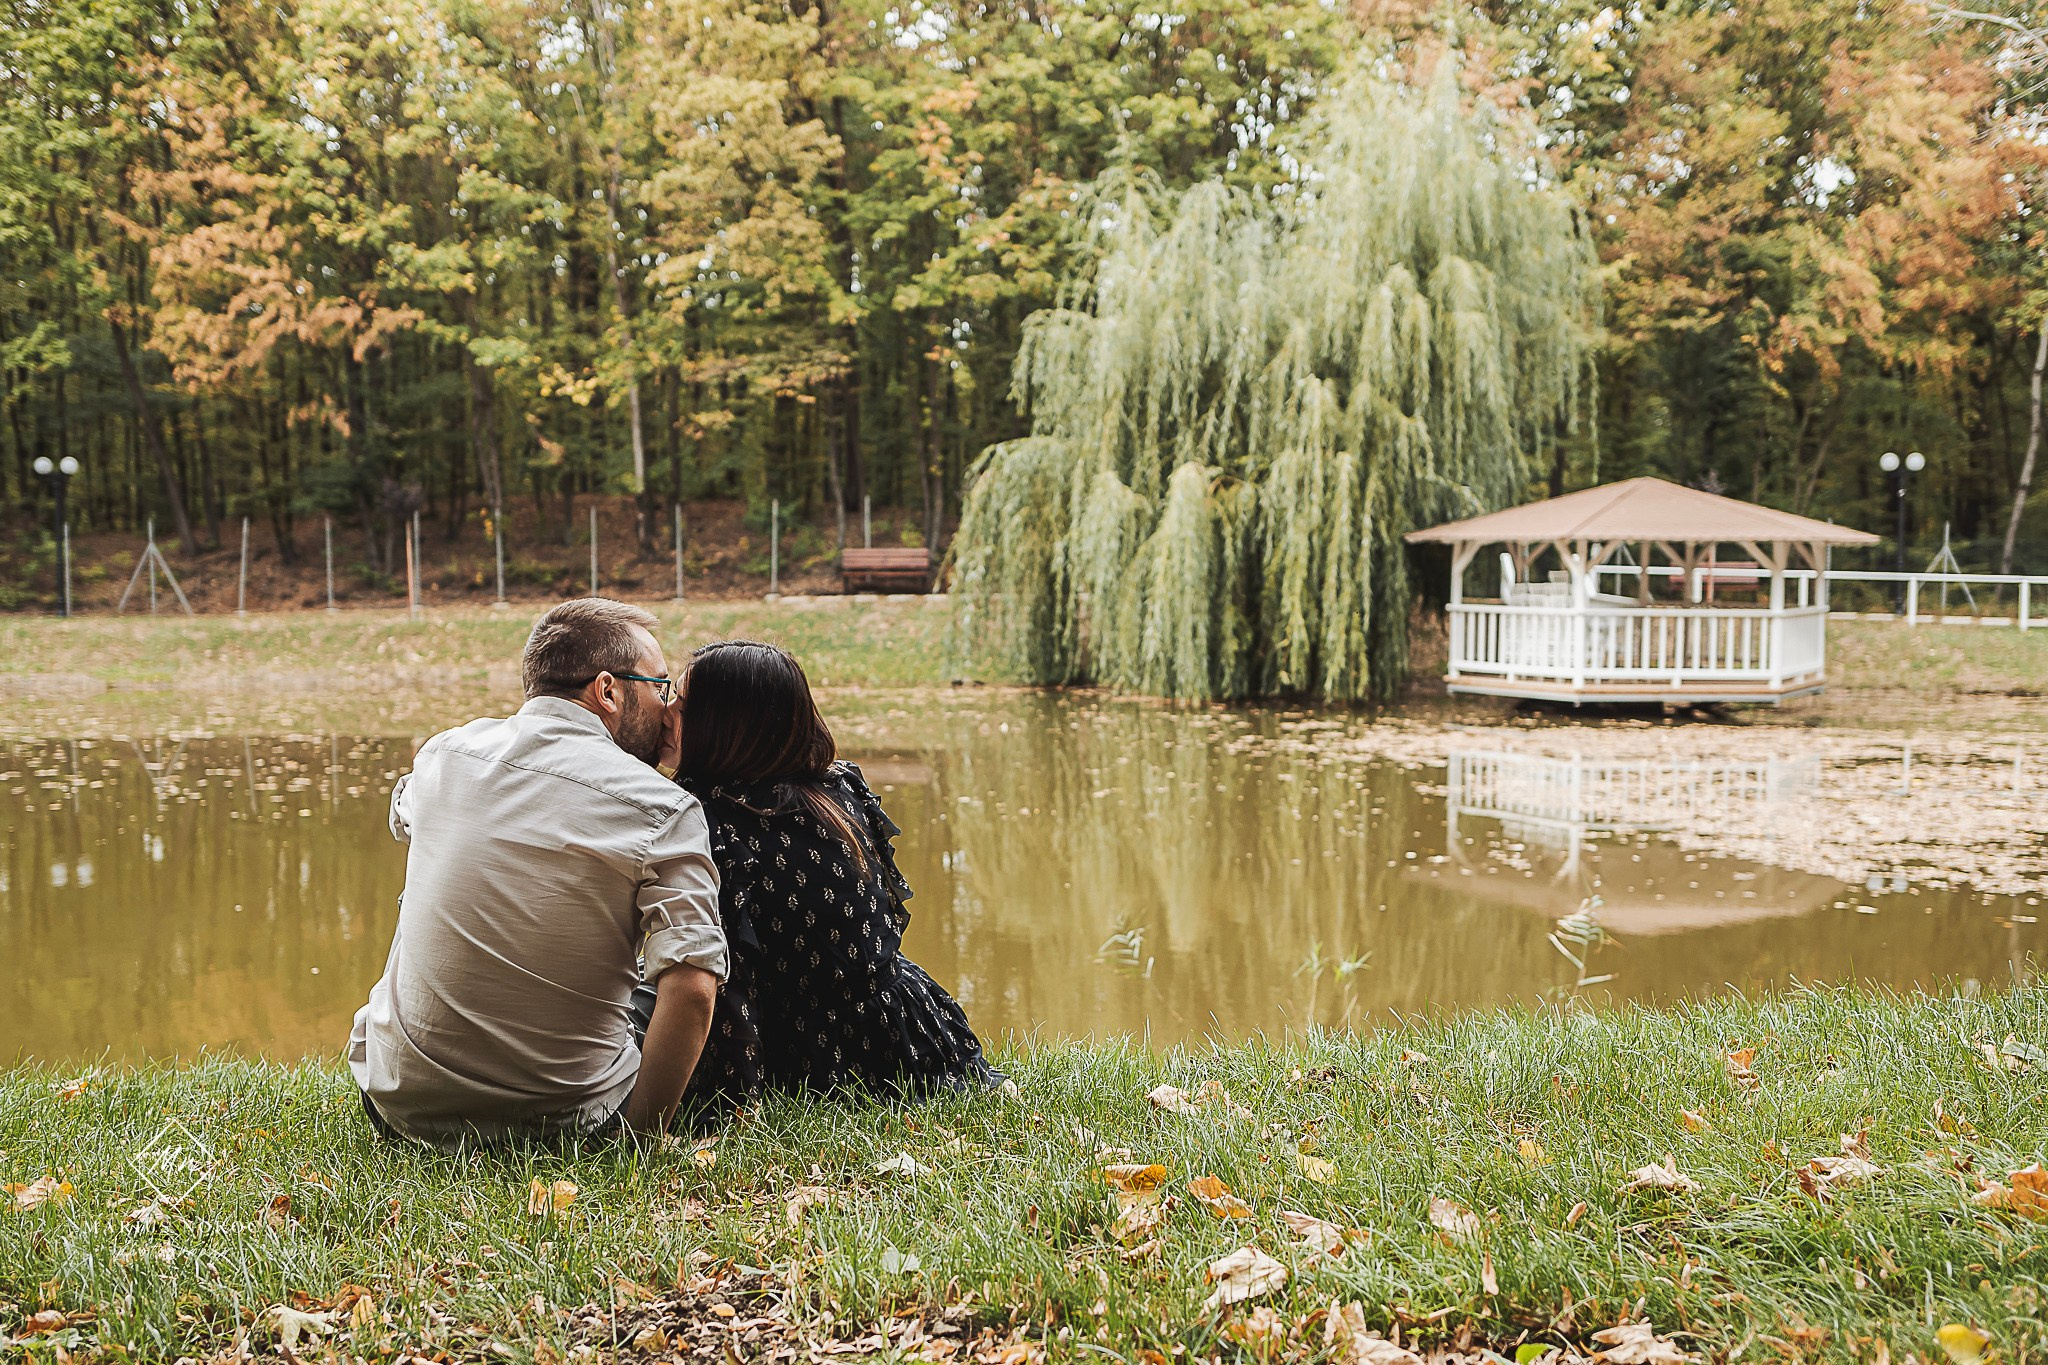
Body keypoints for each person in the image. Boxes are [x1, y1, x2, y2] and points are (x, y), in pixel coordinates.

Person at [348, 598, 725, 1144]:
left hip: (398, 1104)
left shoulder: (443, 755)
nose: (667, 708)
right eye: (659, 686)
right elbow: (693, 988)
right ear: (609, 691)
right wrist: (639, 1137)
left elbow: (404, 817)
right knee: (675, 982)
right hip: (563, 1124)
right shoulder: (662, 807)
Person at [674, 640, 1001, 1105]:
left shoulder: (710, 822)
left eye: (682, 705)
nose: (666, 712)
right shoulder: (837, 785)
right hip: (908, 1026)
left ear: (723, 725)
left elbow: (730, 983)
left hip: (816, 1057)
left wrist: (732, 1099)